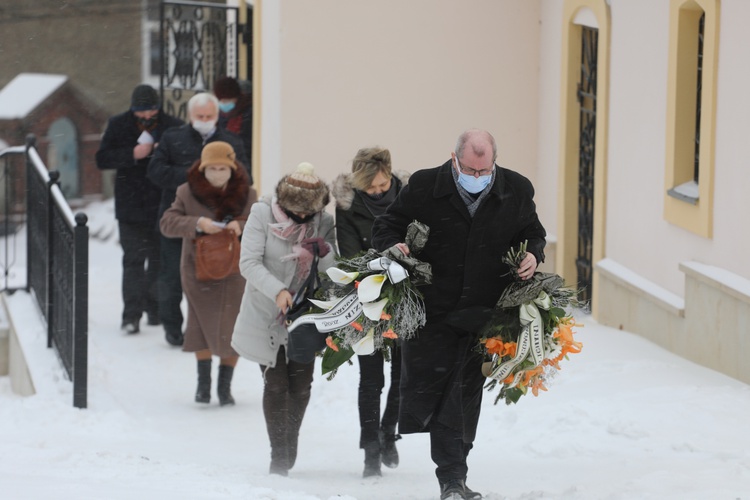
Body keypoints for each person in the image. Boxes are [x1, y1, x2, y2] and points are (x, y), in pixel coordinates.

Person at [371, 129, 547, 500]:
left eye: (485, 171)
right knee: (433, 393)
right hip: (431, 310)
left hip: (485, 311)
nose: (479, 178)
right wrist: (394, 245)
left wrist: (532, 254)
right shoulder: (424, 185)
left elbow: (534, 232)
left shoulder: (515, 188)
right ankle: (453, 476)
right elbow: (387, 224)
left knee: (463, 395)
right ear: (454, 160)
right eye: (470, 169)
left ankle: (452, 478)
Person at [231, 162, 336, 476]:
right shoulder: (261, 214)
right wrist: (277, 290)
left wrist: (325, 250)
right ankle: (280, 456)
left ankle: (291, 441)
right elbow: (248, 262)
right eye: (296, 212)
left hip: (305, 315)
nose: (302, 218)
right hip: (267, 313)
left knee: (301, 385)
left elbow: (334, 271)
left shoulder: (323, 220)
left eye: (308, 213)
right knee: (276, 385)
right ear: (284, 203)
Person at [148, 92, 250, 347]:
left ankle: (211, 330)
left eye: (209, 116)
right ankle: (172, 327)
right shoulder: (173, 138)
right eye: (199, 116)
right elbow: (155, 171)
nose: (204, 120)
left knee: (215, 278)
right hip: (182, 216)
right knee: (171, 277)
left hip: (219, 223)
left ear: (217, 116)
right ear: (190, 116)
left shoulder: (231, 141)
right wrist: (194, 178)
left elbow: (245, 179)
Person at [331, 147, 410, 478]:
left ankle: (388, 432)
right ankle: (370, 451)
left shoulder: (410, 197)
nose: (377, 192)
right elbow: (350, 255)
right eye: (370, 188)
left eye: (381, 185)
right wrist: (382, 267)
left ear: (390, 175)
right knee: (371, 377)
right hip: (366, 293)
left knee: (404, 375)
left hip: (407, 292)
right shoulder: (348, 206)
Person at [159, 141, 257, 405]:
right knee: (199, 324)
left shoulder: (247, 193)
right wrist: (198, 223)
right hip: (197, 268)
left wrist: (240, 224)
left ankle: (225, 387)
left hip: (235, 269)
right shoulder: (186, 192)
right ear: (202, 169)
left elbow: (261, 224)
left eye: (221, 167)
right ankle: (203, 384)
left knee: (232, 326)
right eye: (211, 168)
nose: (216, 172)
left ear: (232, 167)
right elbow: (167, 223)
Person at [95, 84, 184, 334]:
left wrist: (162, 154)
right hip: (130, 205)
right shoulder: (118, 124)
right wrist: (133, 153)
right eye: (141, 112)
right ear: (133, 109)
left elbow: (185, 158)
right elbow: (102, 158)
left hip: (163, 204)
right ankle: (131, 316)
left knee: (159, 261)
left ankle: (154, 310)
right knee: (133, 261)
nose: (146, 116)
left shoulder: (173, 125)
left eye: (151, 111)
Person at [213, 76, 252, 163]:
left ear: (236, 97)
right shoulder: (216, 113)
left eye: (227, 100)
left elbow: (247, 144)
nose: (223, 104)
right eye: (220, 100)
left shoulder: (248, 113)